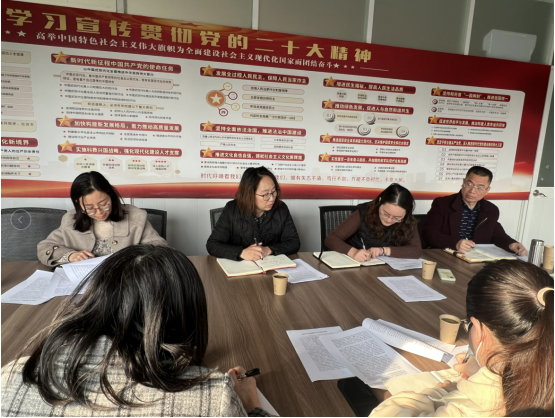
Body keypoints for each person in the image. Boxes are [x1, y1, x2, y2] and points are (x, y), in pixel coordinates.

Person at [1, 245, 270, 417]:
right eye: (91, 206)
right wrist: (251, 406)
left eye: (272, 193)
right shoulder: (216, 399)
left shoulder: (11, 374)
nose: (99, 210)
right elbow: (215, 243)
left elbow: (157, 242)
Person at [370, 260, 554, 417]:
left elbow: (385, 412)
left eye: (468, 326)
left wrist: (444, 390)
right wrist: (485, 369)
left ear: (479, 331)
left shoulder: (466, 410)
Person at [37, 171, 166, 266]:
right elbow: (44, 247)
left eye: (104, 204)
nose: (99, 213)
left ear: (111, 196)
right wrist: (70, 255)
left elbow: (160, 247)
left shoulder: (136, 217)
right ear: (78, 203)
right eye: (89, 208)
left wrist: (134, 259)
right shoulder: (70, 220)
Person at [422, 166, 527, 255]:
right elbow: (429, 233)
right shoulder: (442, 204)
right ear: (463, 182)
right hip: (446, 253)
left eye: (480, 187)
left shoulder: (491, 210)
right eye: (469, 184)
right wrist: (455, 243)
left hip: (475, 257)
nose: (472, 191)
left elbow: (496, 234)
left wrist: (512, 244)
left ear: (487, 190)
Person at [206, 166, 300, 261]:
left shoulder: (281, 208)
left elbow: (294, 242)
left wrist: (269, 250)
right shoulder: (232, 209)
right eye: (265, 194)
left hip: (271, 266)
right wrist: (241, 252)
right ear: (249, 194)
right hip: (241, 267)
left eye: (273, 191)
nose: (272, 198)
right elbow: (213, 244)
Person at [324, 183, 422, 260]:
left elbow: (416, 250)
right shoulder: (364, 212)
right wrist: (354, 252)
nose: (389, 220)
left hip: (388, 269)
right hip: (358, 266)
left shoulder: (407, 220)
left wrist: (383, 250)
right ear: (380, 201)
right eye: (385, 213)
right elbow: (331, 239)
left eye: (397, 217)